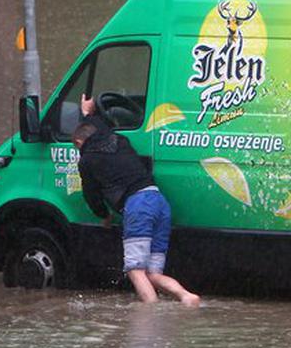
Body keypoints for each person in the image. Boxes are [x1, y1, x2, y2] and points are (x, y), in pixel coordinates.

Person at [74, 94, 199, 306]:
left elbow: (91, 194)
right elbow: (99, 128)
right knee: (152, 274)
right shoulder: (118, 139)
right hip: (158, 201)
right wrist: (88, 114)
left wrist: (103, 215)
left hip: (138, 206)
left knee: (135, 270)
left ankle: (150, 314)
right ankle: (187, 296)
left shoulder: (88, 160)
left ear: (79, 143)